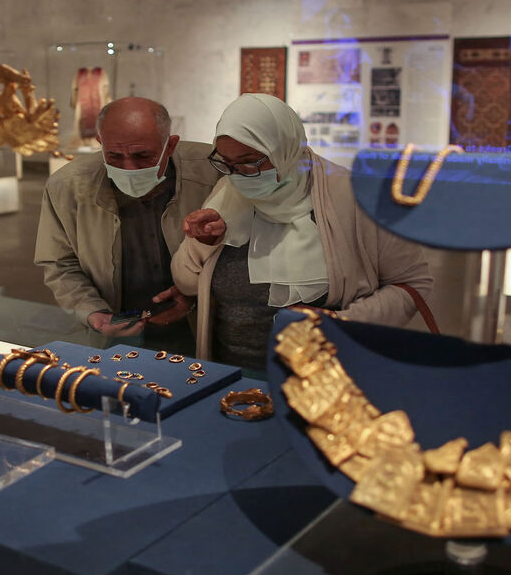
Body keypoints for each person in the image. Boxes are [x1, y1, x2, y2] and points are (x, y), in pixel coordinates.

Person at [165, 93, 433, 370]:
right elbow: (186, 282)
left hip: (330, 382)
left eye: (249, 161)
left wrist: (338, 324)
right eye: (227, 163)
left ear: (286, 149)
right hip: (233, 376)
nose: (237, 175)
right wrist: (206, 241)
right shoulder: (228, 192)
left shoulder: (355, 197)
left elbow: (413, 283)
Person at [35, 96, 221, 343]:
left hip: (201, 331)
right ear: (100, 143)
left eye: (143, 156)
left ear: (171, 145)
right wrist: (92, 312)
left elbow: (241, 253)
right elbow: (59, 264)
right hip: (116, 333)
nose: (129, 168)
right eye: (114, 156)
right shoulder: (68, 186)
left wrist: (194, 293)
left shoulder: (212, 171)